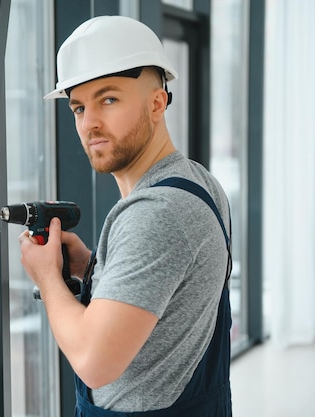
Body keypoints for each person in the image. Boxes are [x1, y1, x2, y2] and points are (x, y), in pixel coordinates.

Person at [18, 15, 232, 416]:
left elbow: (94, 361)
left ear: (157, 102)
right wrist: (93, 268)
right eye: (79, 107)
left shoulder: (158, 213)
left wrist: (47, 278)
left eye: (109, 99)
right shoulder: (197, 181)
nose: (90, 122)